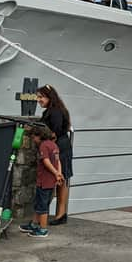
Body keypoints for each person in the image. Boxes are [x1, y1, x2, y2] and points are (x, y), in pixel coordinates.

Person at [37, 84, 73, 225]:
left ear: (49, 97)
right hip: (60, 146)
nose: (38, 100)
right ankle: (60, 213)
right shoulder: (53, 111)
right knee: (60, 178)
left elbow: (55, 131)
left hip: (60, 148)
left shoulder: (55, 112)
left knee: (61, 178)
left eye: (41, 97)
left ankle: (61, 214)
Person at [19, 126, 63, 237]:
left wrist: (55, 173)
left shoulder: (43, 146)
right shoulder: (54, 145)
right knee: (38, 204)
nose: (33, 140)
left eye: (34, 138)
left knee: (42, 206)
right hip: (50, 181)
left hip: (44, 181)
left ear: (39, 136)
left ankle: (43, 229)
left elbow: (46, 162)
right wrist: (59, 174)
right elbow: (58, 162)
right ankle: (34, 224)